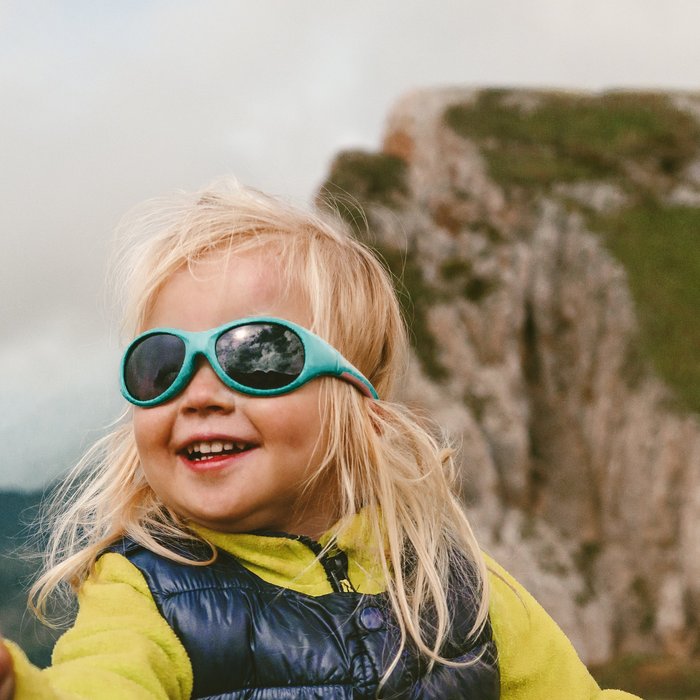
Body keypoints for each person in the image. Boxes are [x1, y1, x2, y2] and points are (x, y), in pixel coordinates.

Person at [0, 181, 639, 699]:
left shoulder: (455, 586)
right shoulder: (147, 594)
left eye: (255, 354)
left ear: (357, 404)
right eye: (161, 365)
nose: (198, 394)